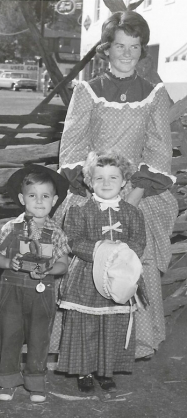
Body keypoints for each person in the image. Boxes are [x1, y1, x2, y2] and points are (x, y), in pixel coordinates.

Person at [54, 10, 178, 359]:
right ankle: (80, 340)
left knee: (139, 255)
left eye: (134, 46)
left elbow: (157, 147)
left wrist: (134, 195)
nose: (127, 53)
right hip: (94, 185)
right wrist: (96, 189)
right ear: (106, 49)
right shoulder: (88, 90)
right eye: (119, 46)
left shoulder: (153, 93)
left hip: (137, 190)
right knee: (84, 254)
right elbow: (74, 143)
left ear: (143, 50)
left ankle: (134, 340)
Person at [57, 151, 146, 393]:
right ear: (89, 181)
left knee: (113, 324)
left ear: (124, 182)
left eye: (113, 178)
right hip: (87, 276)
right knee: (86, 324)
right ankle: (84, 370)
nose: (106, 184)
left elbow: (139, 242)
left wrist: (124, 253)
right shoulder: (79, 210)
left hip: (120, 278)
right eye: (99, 178)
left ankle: (105, 371)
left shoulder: (132, 213)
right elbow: (73, 242)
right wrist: (101, 249)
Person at [0, 165, 70, 402]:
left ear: (54, 200)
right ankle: (8, 379)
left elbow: (63, 264)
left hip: (41, 294)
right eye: (32, 196)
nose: (38, 201)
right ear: (21, 198)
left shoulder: (56, 233)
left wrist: (49, 269)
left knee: (39, 337)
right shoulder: (10, 227)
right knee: (9, 335)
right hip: (11, 292)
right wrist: (6, 262)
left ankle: (36, 380)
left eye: (45, 196)